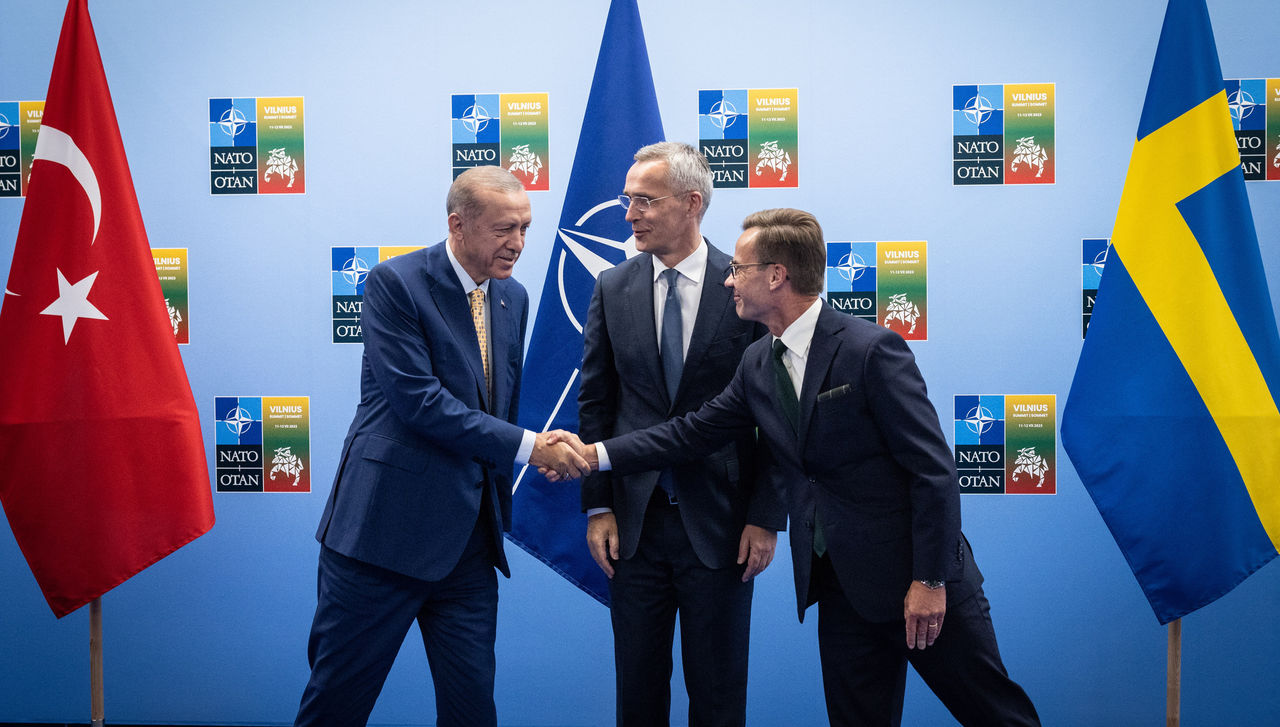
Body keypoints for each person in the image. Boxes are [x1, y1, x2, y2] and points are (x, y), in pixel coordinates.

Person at [554, 208, 1040, 727]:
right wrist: (595, 455)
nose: (728, 278)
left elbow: (934, 472)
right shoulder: (758, 362)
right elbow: (690, 432)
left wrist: (929, 580)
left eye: (739, 268)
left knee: (997, 717)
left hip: (918, 581)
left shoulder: (871, 350)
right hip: (840, 589)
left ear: (776, 275)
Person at [294, 166, 588, 727]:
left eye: (526, 227)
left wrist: (539, 446)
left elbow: (495, 406)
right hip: (381, 540)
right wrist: (531, 447)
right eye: (505, 229)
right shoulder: (394, 283)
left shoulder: (514, 298)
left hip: (469, 548)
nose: (519, 243)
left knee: (473, 710)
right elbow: (420, 403)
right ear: (458, 224)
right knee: (337, 704)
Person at [578, 142, 785, 727]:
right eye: (628, 200)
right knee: (637, 696)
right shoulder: (611, 287)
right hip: (634, 530)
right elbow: (597, 404)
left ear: (692, 203)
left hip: (722, 526)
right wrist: (597, 508)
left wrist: (766, 514)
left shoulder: (745, 287)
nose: (630, 213)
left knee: (718, 697)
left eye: (644, 200)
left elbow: (773, 415)